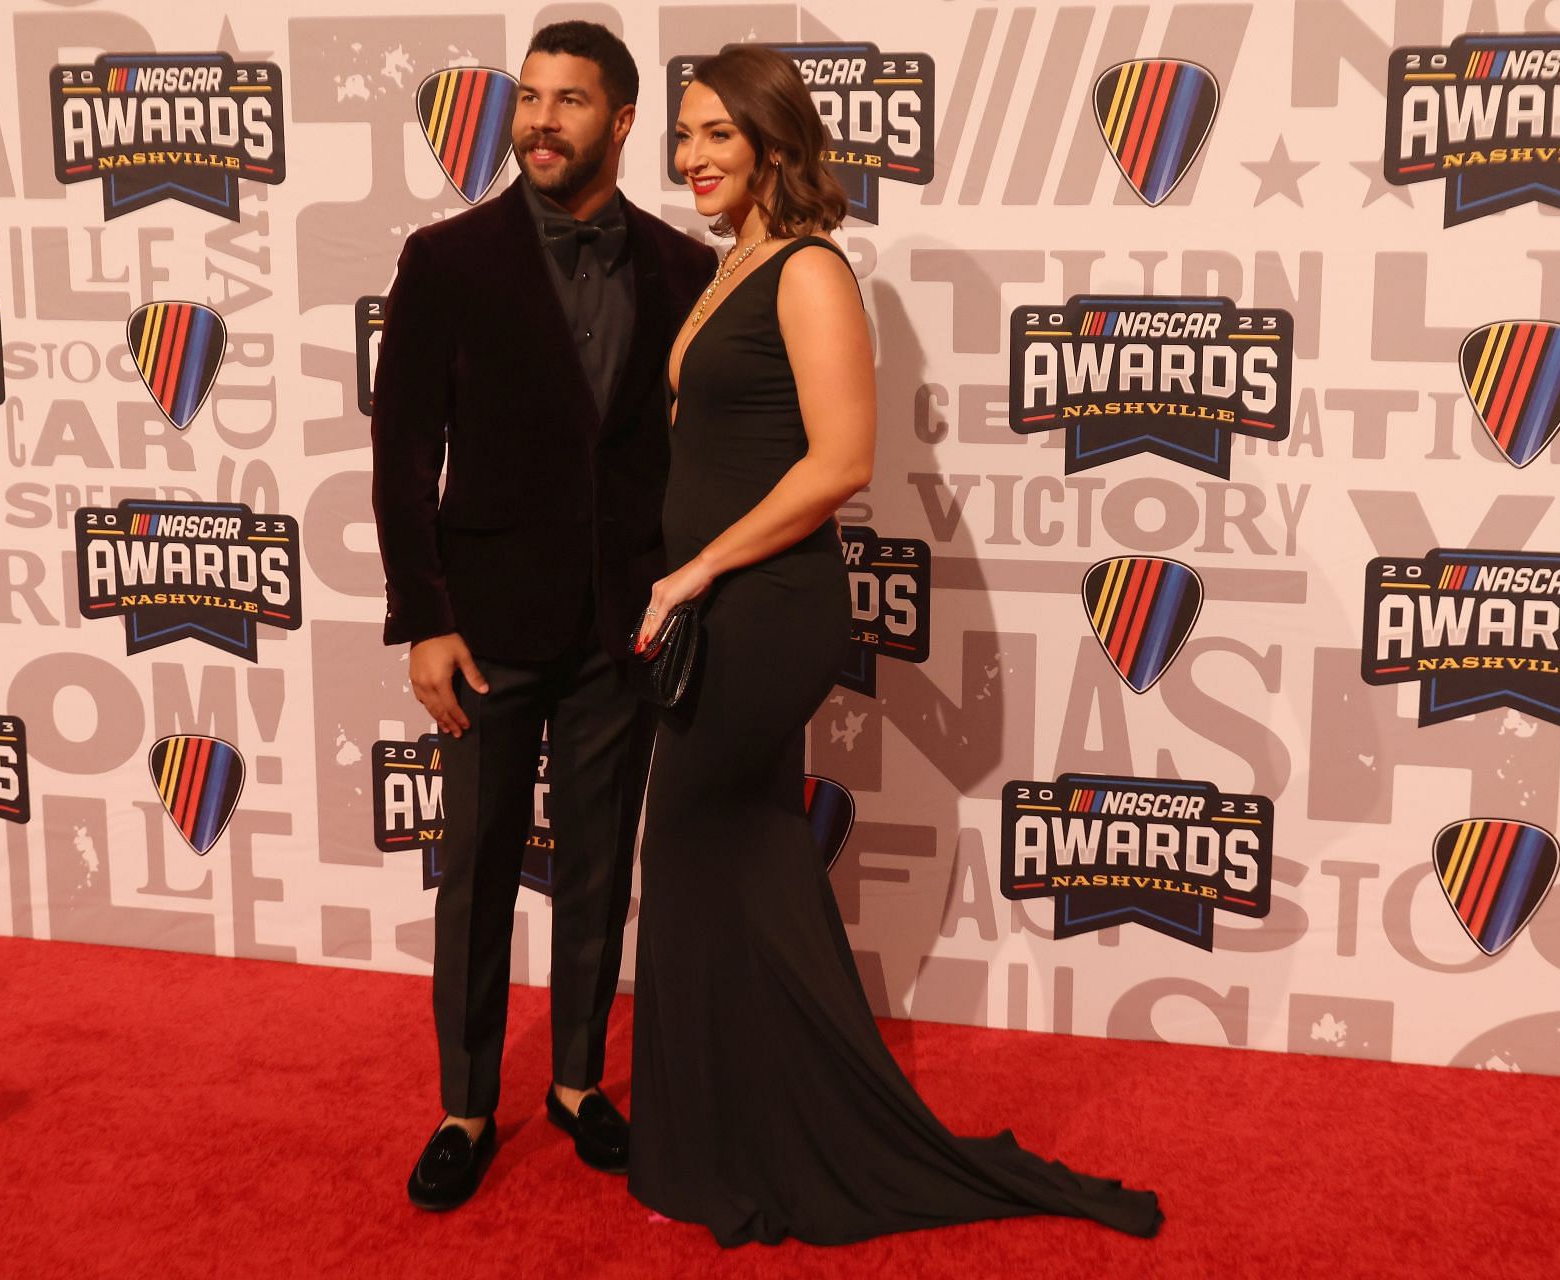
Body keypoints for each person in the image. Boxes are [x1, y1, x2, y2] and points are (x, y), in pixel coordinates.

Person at [626, 44, 1164, 1246]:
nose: (694, 156)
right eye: (685, 135)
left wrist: (703, 563)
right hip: (717, 610)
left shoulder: (811, 270)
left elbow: (842, 463)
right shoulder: (733, 269)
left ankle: (787, 1139)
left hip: (764, 609)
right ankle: (750, 1132)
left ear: (774, 140)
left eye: (719, 133)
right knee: (741, 865)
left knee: (713, 851)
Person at [370, 21, 716, 1212]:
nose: (541, 121)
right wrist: (423, 617)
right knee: (471, 869)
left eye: (571, 101)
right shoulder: (448, 259)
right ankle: (467, 1101)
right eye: (530, 98)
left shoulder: (682, 269)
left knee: (598, 860)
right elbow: (404, 454)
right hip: (488, 628)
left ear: (622, 123)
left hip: (620, 627)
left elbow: (686, 457)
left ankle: (576, 1081)